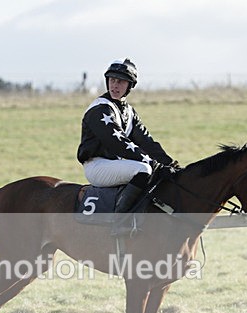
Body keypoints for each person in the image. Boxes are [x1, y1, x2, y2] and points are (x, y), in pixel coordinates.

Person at [77, 58, 179, 218]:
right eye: (112, 80)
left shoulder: (129, 112)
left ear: (129, 86)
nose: (115, 85)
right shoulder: (100, 109)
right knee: (144, 169)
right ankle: (119, 220)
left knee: (154, 171)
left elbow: (147, 142)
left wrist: (171, 165)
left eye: (121, 82)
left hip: (115, 165)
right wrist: (153, 163)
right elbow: (118, 144)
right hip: (97, 167)